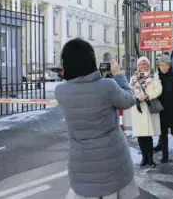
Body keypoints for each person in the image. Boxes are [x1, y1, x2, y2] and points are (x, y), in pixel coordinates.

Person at [55, 38, 139, 199]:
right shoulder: (107, 86)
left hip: (81, 164)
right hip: (113, 161)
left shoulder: (61, 91)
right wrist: (119, 75)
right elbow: (129, 99)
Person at [129, 56, 163, 168]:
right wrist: (137, 97)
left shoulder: (154, 76)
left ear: (148, 65)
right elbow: (129, 90)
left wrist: (147, 96)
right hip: (138, 108)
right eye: (141, 64)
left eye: (145, 63)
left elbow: (158, 90)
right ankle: (144, 158)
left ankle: (150, 158)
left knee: (148, 135)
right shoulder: (133, 77)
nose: (143, 65)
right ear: (138, 66)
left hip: (148, 107)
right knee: (140, 135)